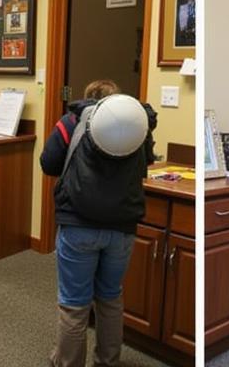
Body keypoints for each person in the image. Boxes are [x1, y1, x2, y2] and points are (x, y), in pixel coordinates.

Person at [39, 79, 157, 367]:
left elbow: (49, 163)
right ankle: (107, 362)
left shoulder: (71, 121)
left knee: (74, 304)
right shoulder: (138, 125)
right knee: (110, 299)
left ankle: (68, 362)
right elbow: (147, 163)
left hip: (78, 224)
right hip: (122, 229)